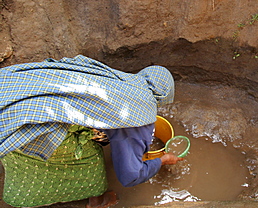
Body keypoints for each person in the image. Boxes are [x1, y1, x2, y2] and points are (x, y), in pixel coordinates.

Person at [0, 55, 183, 208]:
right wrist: (161, 160)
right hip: (28, 123)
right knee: (91, 160)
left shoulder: (123, 80)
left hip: (13, 90)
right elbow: (130, 176)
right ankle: (96, 199)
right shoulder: (139, 118)